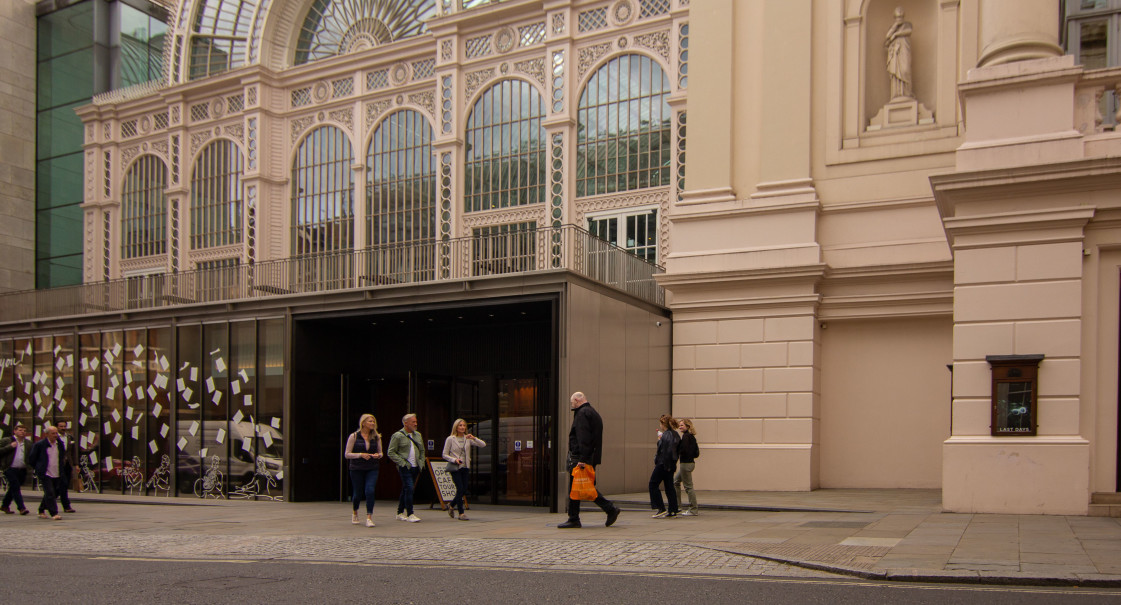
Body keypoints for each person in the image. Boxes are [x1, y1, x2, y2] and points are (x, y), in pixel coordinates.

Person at [558, 392, 620, 529]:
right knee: (581, 487)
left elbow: (583, 437)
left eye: (572, 403)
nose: (571, 405)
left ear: (576, 400)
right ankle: (576, 517)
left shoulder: (582, 414)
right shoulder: (591, 412)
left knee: (579, 487)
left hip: (581, 458)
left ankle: (607, 509)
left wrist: (582, 459)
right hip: (589, 457)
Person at [344, 413, 383, 527]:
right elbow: (347, 454)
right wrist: (360, 454)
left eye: (373, 421)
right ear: (363, 423)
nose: (372, 423)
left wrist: (378, 455)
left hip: (372, 467)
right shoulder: (354, 436)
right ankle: (355, 512)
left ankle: (369, 516)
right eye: (370, 421)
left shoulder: (376, 437)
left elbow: (381, 452)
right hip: (357, 468)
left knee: (370, 490)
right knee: (357, 493)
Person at [442, 418, 485, 520]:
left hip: (465, 466)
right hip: (456, 467)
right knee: (460, 488)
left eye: (464, 425)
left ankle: (451, 505)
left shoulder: (467, 439)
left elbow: (483, 445)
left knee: (464, 489)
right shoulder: (450, 439)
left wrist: (474, 438)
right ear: (456, 427)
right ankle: (461, 513)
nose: (462, 427)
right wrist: (454, 459)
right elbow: (444, 454)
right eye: (460, 425)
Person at [387, 413, 425, 523]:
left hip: (416, 466)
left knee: (406, 489)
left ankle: (399, 512)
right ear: (405, 423)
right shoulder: (397, 435)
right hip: (405, 466)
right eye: (413, 422)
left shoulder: (418, 435)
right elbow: (391, 452)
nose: (415, 424)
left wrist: (421, 462)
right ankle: (410, 513)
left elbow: (422, 450)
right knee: (409, 488)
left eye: (416, 422)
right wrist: (402, 462)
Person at [27, 425, 66, 520]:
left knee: (54, 492)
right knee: (49, 492)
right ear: (47, 434)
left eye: (56, 433)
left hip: (57, 471)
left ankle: (41, 509)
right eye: (53, 433)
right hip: (45, 473)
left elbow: (61, 456)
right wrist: (38, 468)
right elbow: (32, 458)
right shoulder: (40, 445)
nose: (55, 435)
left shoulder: (59, 444)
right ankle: (54, 513)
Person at [648, 414, 680, 518]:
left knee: (653, 484)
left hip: (663, 463)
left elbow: (664, 450)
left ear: (663, 424)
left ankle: (660, 507)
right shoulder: (675, 434)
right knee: (669, 486)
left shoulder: (666, 435)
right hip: (671, 464)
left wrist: (659, 440)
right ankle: (673, 509)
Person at [0, 424, 31, 515]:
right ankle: (21, 508)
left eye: (24, 430)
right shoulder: (7, 440)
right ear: (15, 431)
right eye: (20, 430)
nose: (22, 432)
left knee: (13, 487)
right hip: (9, 468)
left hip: (22, 469)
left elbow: (31, 455)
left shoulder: (28, 443)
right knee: (15, 486)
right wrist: (10, 446)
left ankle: (5, 505)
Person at [884, 6, 913, 100]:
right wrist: (895, 26)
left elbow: (909, 31)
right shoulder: (893, 27)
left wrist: (896, 34)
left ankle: (906, 93)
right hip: (895, 53)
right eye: (897, 17)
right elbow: (887, 36)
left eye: (900, 17)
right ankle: (896, 94)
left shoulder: (907, 25)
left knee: (905, 70)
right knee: (895, 73)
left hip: (904, 50)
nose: (899, 19)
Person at [674, 418, 700, 516]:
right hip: (691, 463)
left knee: (688, 487)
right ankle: (678, 506)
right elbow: (697, 453)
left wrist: (677, 449)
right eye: (680, 425)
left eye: (682, 425)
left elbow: (682, 450)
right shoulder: (692, 437)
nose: (680, 427)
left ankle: (693, 509)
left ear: (687, 426)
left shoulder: (685, 437)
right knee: (675, 481)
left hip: (685, 464)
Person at [55, 421, 77, 512]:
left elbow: (73, 452)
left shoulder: (69, 437)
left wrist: (75, 464)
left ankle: (47, 503)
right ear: (57, 427)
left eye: (64, 426)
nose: (63, 428)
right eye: (61, 426)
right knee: (62, 484)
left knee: (64, 485)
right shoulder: (54, 437)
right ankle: (66, 506)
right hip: (57, 464)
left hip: (68, 464)